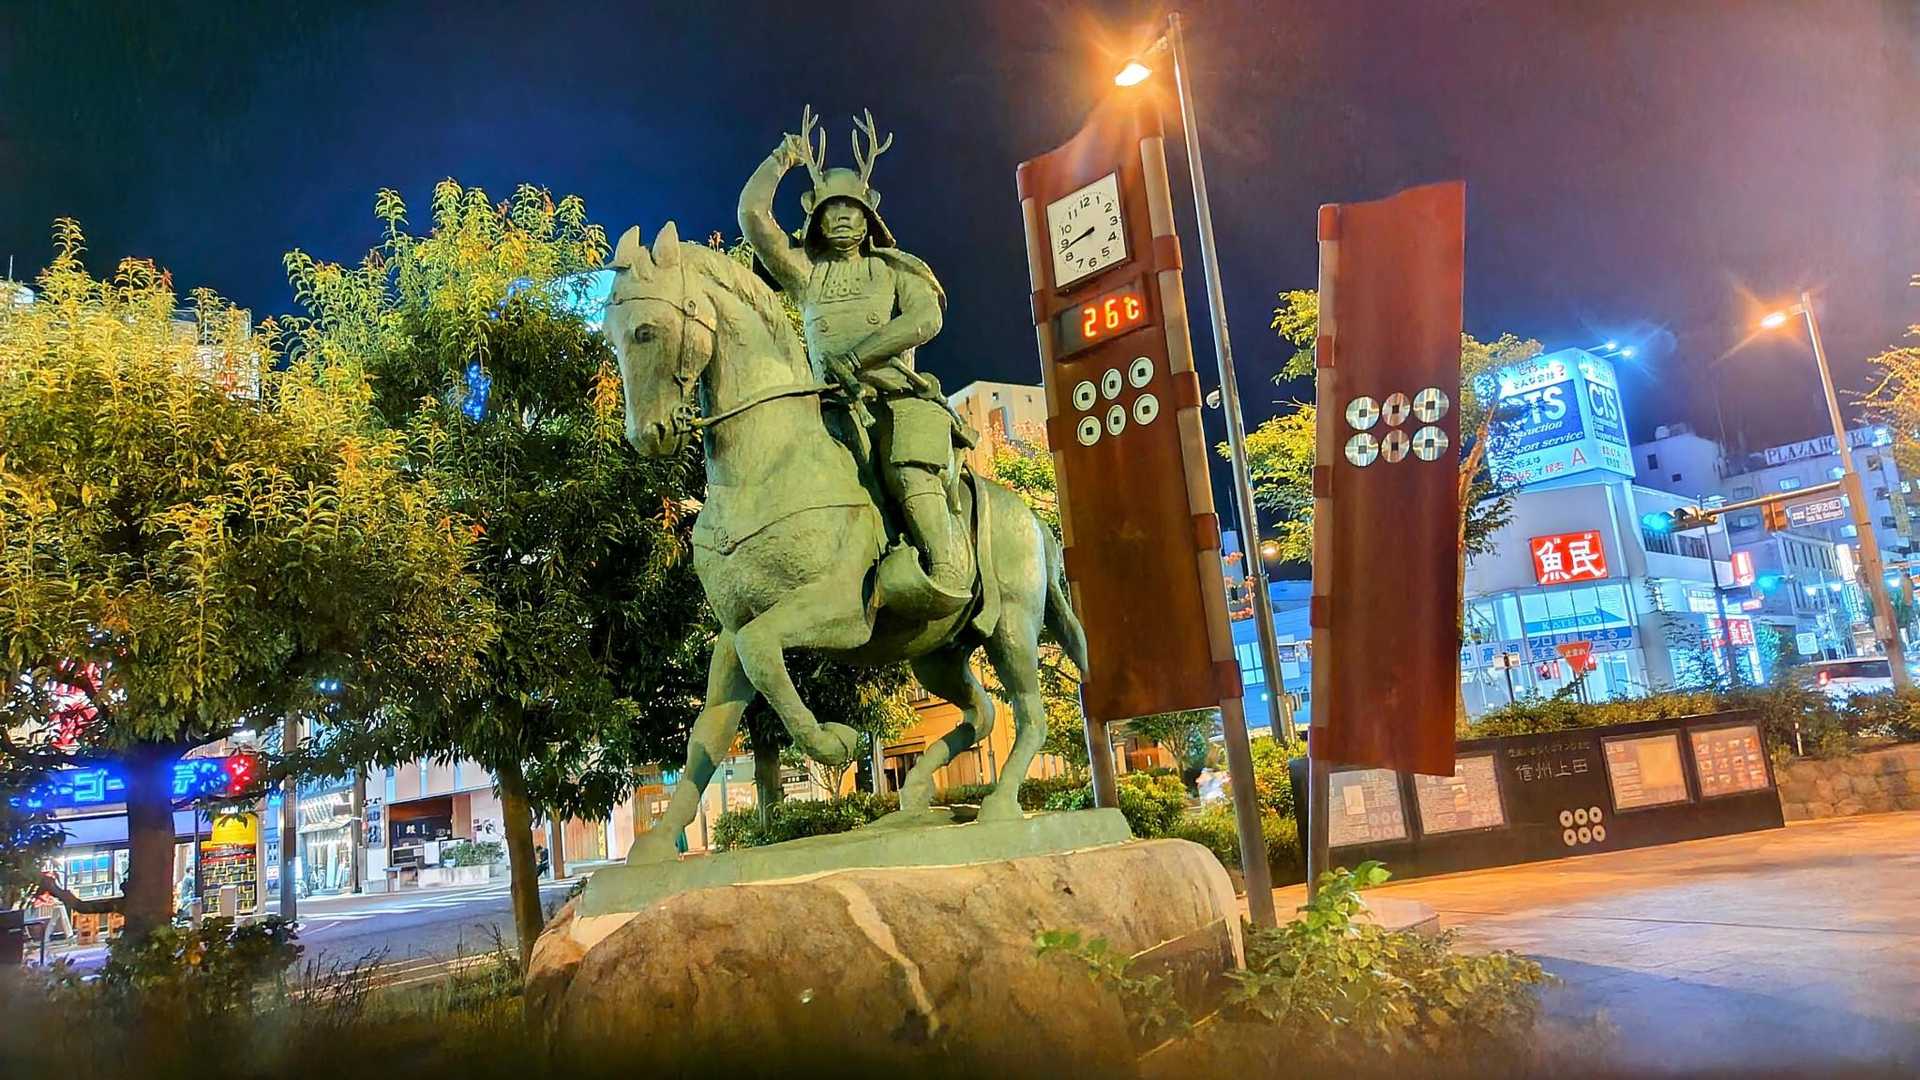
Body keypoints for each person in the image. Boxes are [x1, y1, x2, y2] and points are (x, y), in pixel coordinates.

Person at [738, 107, 972, 617]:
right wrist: (781, 159)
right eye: (832, 211)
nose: (843, 217)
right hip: (825, 406)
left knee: (905, 469)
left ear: (869, 219)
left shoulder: (894, 270)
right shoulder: (805, 273)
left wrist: (860, 355)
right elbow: (753, 218)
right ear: (816, 220)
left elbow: (925, 318)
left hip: (894, 400)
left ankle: (945, 565)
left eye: (852, 210)